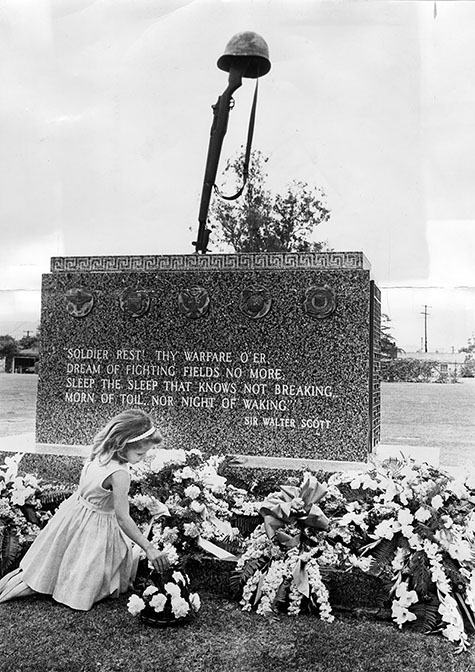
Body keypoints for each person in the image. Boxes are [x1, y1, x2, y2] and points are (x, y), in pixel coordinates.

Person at [0, 409, 169, 611]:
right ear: (122, 445)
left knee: (68, 557)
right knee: (88, 570)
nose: (143, 458)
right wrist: (148, 547)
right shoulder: (120, 473)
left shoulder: (100, 453)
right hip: (97, 525)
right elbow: (123, 518)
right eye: (140, 453)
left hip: (74, 515)